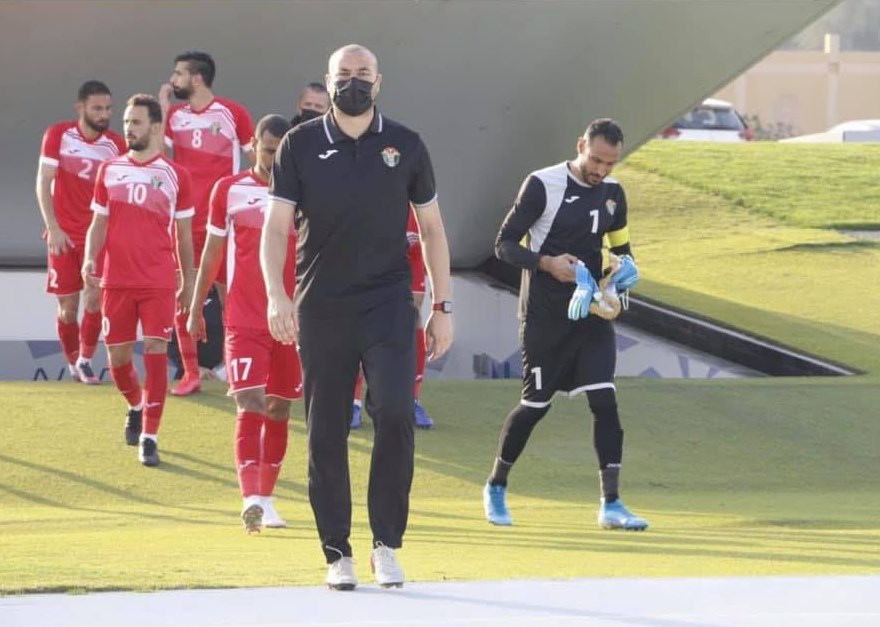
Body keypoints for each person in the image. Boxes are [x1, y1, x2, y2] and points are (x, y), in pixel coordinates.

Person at [261, 44, 453, 590]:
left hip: (388, 303)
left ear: (379, 81)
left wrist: (441, 306)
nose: (353, 82)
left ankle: (386, 545)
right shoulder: (299, 144)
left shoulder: (406, 144)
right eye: (343, 74)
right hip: (321, 305)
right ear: (328, 82)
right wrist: (276, 296)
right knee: (325, 428)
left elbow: (432, 229)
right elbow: (276, 227)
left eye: (362, 74)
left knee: (394, 412)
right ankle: (337, 552)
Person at [482, 118, 649, 532]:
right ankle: (496, 486)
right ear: (580, 146)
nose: (601, 170)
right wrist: (546, 263)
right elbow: (503, 245)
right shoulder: (542, 184)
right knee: (535, 406)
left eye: (610, 163)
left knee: (605, 401)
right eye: (596, 160)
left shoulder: (613, 195)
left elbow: (622, 250)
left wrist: (624, 274)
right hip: (545, 318)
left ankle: (612, 504)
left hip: (590, 317)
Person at [187, 114, 302, 534]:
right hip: (243, 319)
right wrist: (195, 305)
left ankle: (267, 499)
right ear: (253, 145)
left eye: (280, 151)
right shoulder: (229, 189)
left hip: (291, 322)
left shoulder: (305, 195)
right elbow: (212, 251)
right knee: (249, 402)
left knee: (279, 407)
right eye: (268, 150)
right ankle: (250, 498)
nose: (274, 158)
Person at [82, 94, 195, 467]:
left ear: (156, 126)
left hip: (158, 280)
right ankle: (136, 404)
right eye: (127, 122)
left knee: (156, 350)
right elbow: (98, 223)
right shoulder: (109, 170)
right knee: (117, 360)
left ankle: (150, 436)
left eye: (136, 122)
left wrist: (189, 281)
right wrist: (90, 259)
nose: (128, 128)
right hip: (116, 279)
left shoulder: (177, 175)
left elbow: (184, 236)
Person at [159, 50, 255, 396]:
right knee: (183, 294)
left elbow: (257, 160)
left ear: (196, 78)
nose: (173, 80)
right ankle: (190, 373)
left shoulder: (233, 113)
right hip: (185, 221)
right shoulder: (174, 115)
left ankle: (233, 368)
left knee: (231, 298)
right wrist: (162, 106)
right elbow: (158, 158)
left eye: (178, 74)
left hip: (223, 222)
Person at [36, 80, 127, 384]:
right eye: (97, 108)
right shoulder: (58, 135)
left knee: (94, 299)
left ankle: (85, 360)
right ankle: (73, 362)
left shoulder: (115, 144)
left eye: (108, 109)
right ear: (81, 108)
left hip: (97, 236)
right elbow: (43, 182)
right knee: (67, 308)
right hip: (62, 236)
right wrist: (53, 227)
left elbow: (120, 192)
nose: (104, 114)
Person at [351, 205, 434, 430]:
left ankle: (411, 400)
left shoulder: (415, 205)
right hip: (362, 262)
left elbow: (429, 240)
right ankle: (352, 402)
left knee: (411, 318)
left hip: (408, 259)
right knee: (356, 321)